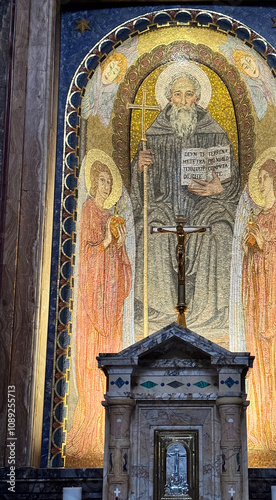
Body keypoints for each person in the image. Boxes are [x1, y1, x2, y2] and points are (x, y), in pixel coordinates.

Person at [131, 67, 240, 342]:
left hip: (207, 207)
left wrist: (219, 188)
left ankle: (212, 314)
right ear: (168, 99)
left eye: (189, 94)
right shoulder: (153, 135)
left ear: (198, 99)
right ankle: (158, 313)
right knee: (152, 233)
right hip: (164, 206)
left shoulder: (214, 133)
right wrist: (139, 168)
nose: (183, 100)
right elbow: (140, 192)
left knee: (221, 233)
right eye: (177, 94)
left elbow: (234, 182)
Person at [66, 160, 132, 467]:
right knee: (93, 359)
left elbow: (123, 264)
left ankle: (113, 430)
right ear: (92, 183)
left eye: (109, 182)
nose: (106, 186)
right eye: (102, 181)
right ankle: (90, 428)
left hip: (111, 304)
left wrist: (118, 247)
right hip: (92, 305)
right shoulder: (89, 212)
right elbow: (83, 258)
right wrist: (106, 242)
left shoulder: (112, 216)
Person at [241, 157, 276, 467]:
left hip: (275, 306)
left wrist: (264, 247)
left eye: (264, 181)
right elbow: (251, 261)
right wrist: (252, 248)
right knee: (260, 368)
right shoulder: (257, 217)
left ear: (275, 182)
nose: (260, 186)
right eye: (258, 181)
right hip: (258, 302)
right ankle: (261, 429)